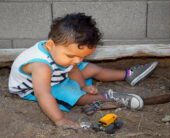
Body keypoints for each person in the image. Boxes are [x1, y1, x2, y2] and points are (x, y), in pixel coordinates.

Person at [8, 13, 158, 129]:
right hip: (36, 86)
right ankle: (107, 97)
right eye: (72, 55)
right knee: (74, 95)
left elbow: (73, 68)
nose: (77, 60)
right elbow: (43, 94)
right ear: (50, 45)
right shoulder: (41, 66)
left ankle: (128, 75)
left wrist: (83, 86)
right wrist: (60, 120)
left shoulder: (62, 52)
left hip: (58, 73)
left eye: (82, 56)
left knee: (91, 68)